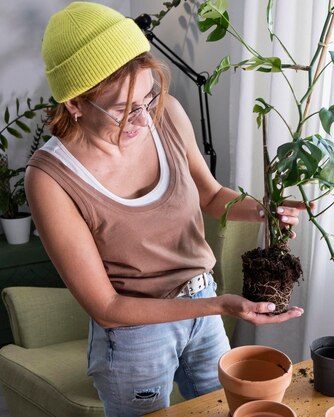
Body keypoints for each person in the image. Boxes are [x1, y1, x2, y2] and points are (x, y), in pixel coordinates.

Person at [25, 2, 305, 416]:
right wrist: (221, 306)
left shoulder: (167, 114)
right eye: (123, 109)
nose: (142, 117)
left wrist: (266, 209)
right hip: (135, 334)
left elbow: (211, 196)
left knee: (227, 411)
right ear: (75, 105)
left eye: (148, 96)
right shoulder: (50, 178)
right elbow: (108, 308)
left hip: (203, 303)